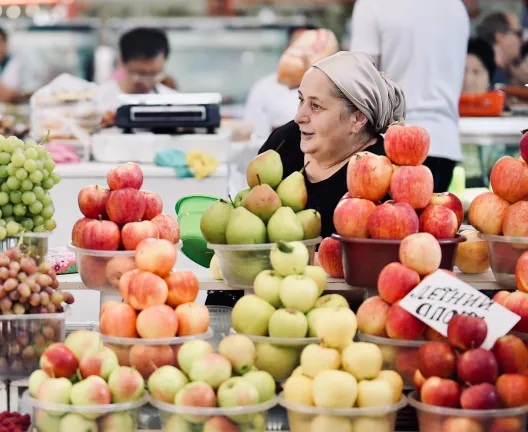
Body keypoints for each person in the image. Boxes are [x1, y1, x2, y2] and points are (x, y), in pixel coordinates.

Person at [206, 51, 405, 307]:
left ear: (357, 118)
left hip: (334, 315)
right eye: (300, 100)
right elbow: (250, 220)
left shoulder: (381, 172)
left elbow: (381, 278)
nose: (300, 116)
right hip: (254, 299)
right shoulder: (285, 143)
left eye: (316, 106)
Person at [351, 0, 469, 193]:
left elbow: (359, 78)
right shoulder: (456, 6)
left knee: (390, 221)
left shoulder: (373, 4)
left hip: (392, 144)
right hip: (444, 143)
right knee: (431, 220)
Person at [243, 25, 317, 138]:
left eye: (310, 48)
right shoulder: (264, 88)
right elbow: (256, 135)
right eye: (299, 47)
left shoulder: (330, 88)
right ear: (286, 49)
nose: (304, 53)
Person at [96, 27, 176, 125]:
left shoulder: (173, 102)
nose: (147, 82)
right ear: (122, 62)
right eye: (140, 73)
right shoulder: (97, 102)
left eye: (155, 74)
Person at [476, 11, 524, 86]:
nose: (522, 40)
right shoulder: (483, 77)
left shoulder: (507, 73)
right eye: (519, 34)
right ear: (500, 37)